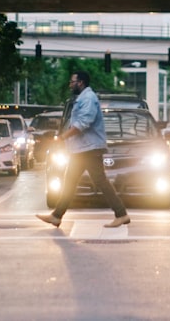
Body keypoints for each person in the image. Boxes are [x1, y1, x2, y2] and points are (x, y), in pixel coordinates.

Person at [37, 71, 130, 228]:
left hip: (89, 148)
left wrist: (62, 137)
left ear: (80, 83)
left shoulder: (88, 98)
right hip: (82, 149)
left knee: (99, 181)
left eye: (72, 81)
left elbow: (83, 123)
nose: (70, 84)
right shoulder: (83, 98)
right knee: (70, 182)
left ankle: (121, 214)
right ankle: (57, 216)